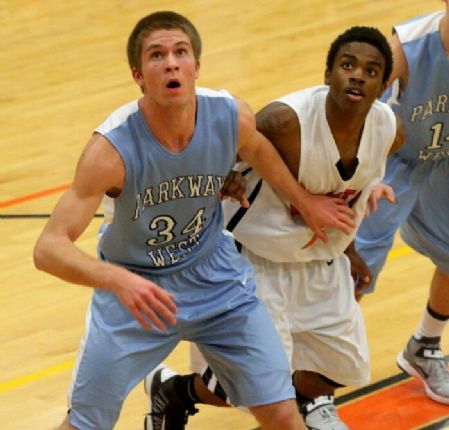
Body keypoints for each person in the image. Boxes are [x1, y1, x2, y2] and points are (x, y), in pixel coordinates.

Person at [32, 10, 360, 430]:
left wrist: (303, 201)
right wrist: (117, 280)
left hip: (215, 279)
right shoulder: (110, 151)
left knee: (281, 413)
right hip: (137, 288)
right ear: (138, 75)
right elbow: (48, 247)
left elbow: (257, 148)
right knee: (85, 425)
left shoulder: (229, 115)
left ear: (196, 67)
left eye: (180, 52)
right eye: (156, 55)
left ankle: (172, 393)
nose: (170, 62)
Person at [142, 26, 405, 430]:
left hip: (323, 265)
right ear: (327, 74)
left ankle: (192, 392)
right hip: (257, 264)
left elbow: (353, 188)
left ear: (383, 85)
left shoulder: (390, 131)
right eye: (347, 65)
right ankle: (184, 393)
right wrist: (224, 178)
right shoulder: (285, 121)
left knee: (341, 371)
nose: (357, 75)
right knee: (248, 391)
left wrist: (350, 250)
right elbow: (214, 152)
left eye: (371, 71)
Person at [355, 0, 449, 404]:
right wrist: (359, 176)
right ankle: (307, 379)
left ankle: (424, 347)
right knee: (352, 272)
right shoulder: (407, 47)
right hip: (389, 164)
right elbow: (348, 106)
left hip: (442, 159)